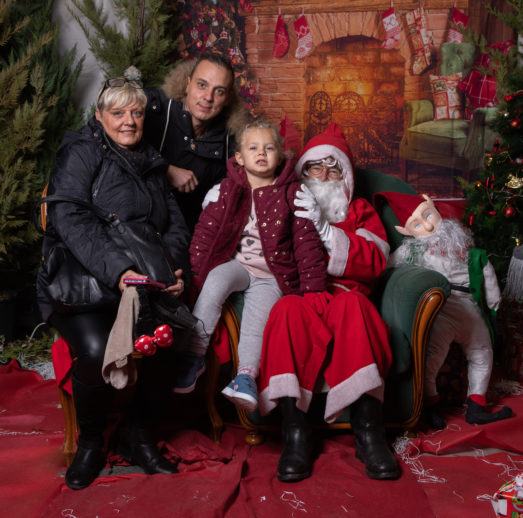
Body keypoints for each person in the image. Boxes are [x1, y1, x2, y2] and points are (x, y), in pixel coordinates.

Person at [36, 69, 190, 490]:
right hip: (83, 280)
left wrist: (174, 269)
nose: (129, 121)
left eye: (136, 113)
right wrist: (119, 271)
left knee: (172, 342)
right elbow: (70, 218)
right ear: (99, 115)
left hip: (143, 283)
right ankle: (90, 443)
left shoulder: (151, 160)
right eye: (118, 113)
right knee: (93, 350)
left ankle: (138, 437)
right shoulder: (81, 151)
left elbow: (173, 225)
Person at [257, 123, 400, 482]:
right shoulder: (284, 206)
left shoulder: (360, 210)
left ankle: (369, 434)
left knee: (355, 308)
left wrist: (326, 231)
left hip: (347, 296)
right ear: (302, 174)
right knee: (286, 311)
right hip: (301, 297)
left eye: (333, 169)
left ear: (345, 178)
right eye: (315, 168)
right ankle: (296, 434)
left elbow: (376, 260)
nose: (323, 176)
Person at [173, 120, 327, 411]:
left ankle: (246, 376)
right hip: (237, 264)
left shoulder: (292, 194)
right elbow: (207, 231)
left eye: (269, 148)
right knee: (215, 281)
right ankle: (194, 354)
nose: (261, 153)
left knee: (258, 319)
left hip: (271, 274)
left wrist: (313, 288)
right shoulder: (227, 190)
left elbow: (306, 243)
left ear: (280, 156)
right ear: (240, 158)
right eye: (253, 148)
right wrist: (195, 271)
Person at [385, 192, 513, 429]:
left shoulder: (467, 249)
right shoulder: (412, 251)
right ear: (406, 232)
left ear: (433, 207)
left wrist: (493, 303)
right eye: (417, 225)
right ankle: (433, 406)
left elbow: (487, 274)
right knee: (435, 357)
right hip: (440, 308)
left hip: (466, 309)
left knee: (480, 352)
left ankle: (473, 407)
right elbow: (386, 263)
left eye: (427, 216)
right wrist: (494, 306)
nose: (428, 226)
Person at [143, 51, 248, 232]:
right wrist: (164, 169)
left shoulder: (232, 142)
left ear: (228, 99)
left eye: (219, 91)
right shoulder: (153, 106)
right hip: (136, 219)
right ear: (188, 84)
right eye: (202, 85)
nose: (208, 97)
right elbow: (107, 141)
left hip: (185, 232)